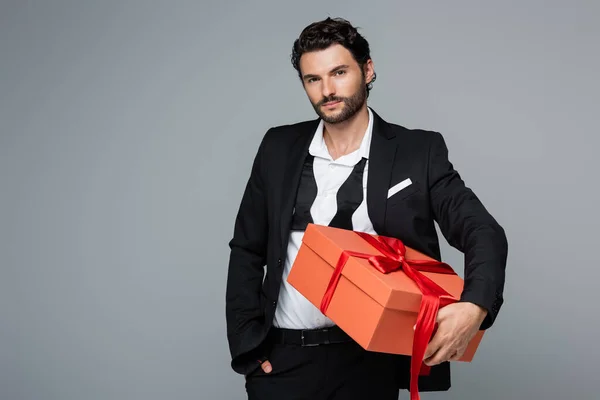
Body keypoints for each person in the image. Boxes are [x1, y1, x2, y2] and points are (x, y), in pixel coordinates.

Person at [225, 17, 508, 400]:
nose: (327, 90)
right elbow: (246, 248)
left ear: (368, 69)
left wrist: (475, 306)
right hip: (281, 361)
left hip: (369, 362)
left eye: (339, 72)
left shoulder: (416, 153)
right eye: (313, 79)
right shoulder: (277, 148)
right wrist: (247, 345)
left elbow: (483, 232)